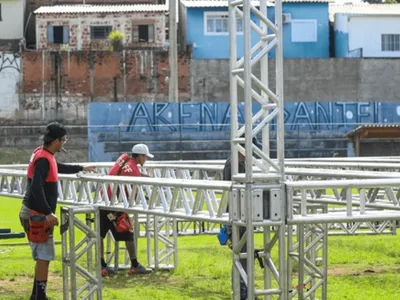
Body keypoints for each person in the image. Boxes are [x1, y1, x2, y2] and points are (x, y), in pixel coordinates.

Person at [19, 122, 97, 300]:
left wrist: (81, 168)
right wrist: (47, 212)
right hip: (37, 214)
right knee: (44, 257)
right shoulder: (43, 159)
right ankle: (40, 296)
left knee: (42, 257)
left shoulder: (44, 154)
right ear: (56, 141)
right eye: (64, 140)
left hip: (34, 212)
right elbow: (37, 188)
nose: (64, 143)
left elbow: (57, 167)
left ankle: (36, 295)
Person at [100, 144, 153, 276]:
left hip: (102, 198)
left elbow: (125, 171)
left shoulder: (123, 158)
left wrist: (142, 176)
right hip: (114, 204)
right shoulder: (134, 172)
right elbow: (132, 195)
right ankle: (135, 265)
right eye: (145, 156)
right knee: (128, 231)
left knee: (99, 234)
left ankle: (102, 266)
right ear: (140, 156)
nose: (146, 159)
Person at [223, 136, 261, 300]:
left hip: (238, 213)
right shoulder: (236, 165)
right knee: (242, 254)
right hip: (238, 214)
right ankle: (243, 291)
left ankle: (243, 289)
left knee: (242, 254)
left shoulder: (232, 162)